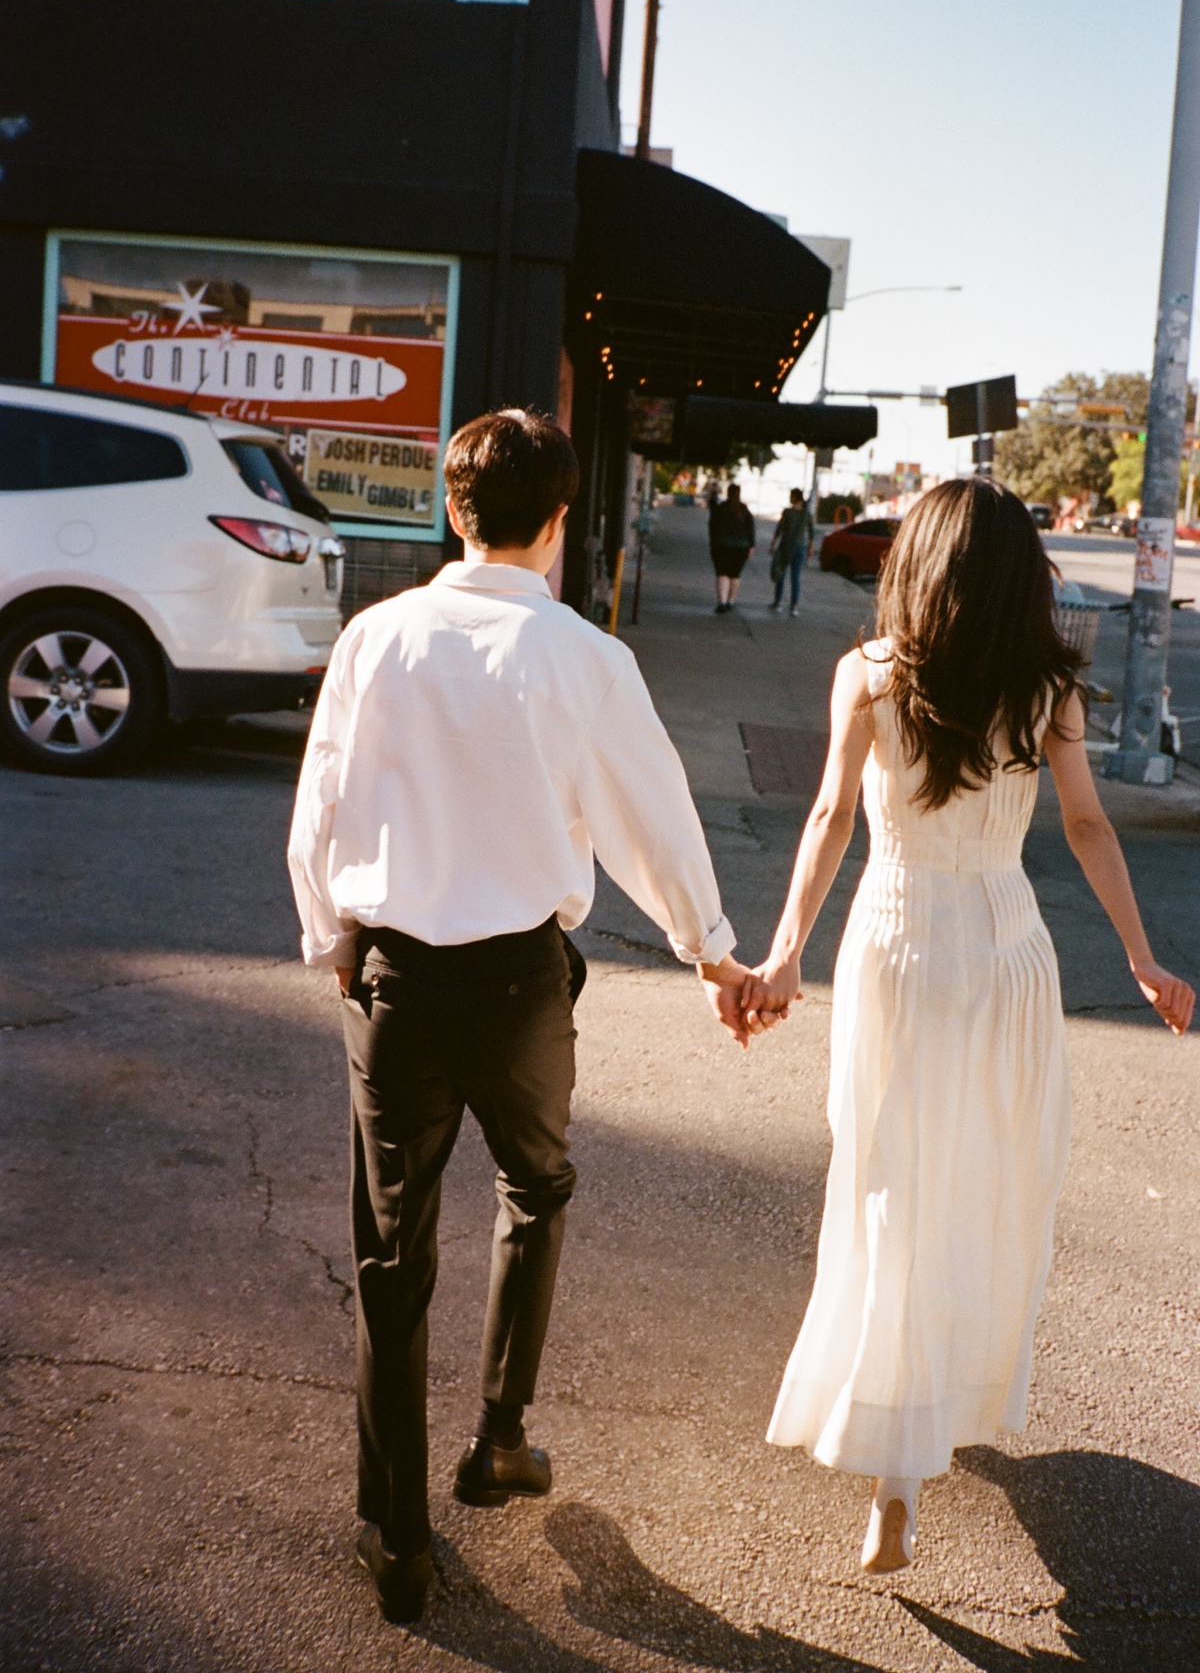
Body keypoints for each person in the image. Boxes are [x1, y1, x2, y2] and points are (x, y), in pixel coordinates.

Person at [288, 409, 762, 1627]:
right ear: (558, 526)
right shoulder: (585, 658)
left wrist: (334, 944)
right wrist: (711, 952)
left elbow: (321, 809)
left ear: (456, 511)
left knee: (391, 1262)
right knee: (536, 1189)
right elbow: (654, 813)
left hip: (394, 980)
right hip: (522, 986)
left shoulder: (374, 638)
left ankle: (396, 1542)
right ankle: (501, 1434)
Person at [749, 478, 1193, 1574]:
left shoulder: (868, 676)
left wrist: (784, 952)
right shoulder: (1049, 690)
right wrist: (1142, 957)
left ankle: (892, 1470)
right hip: (1005, 951)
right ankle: (945, 1403)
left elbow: (830, 818)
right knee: (985, 1184)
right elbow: (1085, 824)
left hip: (896, 943)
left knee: (888, 1181)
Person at [708, 481, 756, 613]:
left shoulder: (721, 508)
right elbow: (750, 528)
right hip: (741, 547)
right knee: (735, 575)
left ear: (727, 493)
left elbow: (712, 526)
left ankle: (722, 602)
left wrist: (712, 543)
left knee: (722, 573)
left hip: (721, 544)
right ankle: (731, 601)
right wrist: (751, 546)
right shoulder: (744, 510)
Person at [769, 488, 815, 615]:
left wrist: (773, 544)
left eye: (791, 496)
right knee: (795, 577)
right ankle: (794, 606)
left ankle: (778, 603)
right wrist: (810, 548)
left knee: (781, 575)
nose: (790, 498)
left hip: (785, 547)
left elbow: (780, 529)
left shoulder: (788, 512)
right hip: (800, 548)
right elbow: (811, 533)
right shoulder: (807, 514)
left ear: (795, 497)